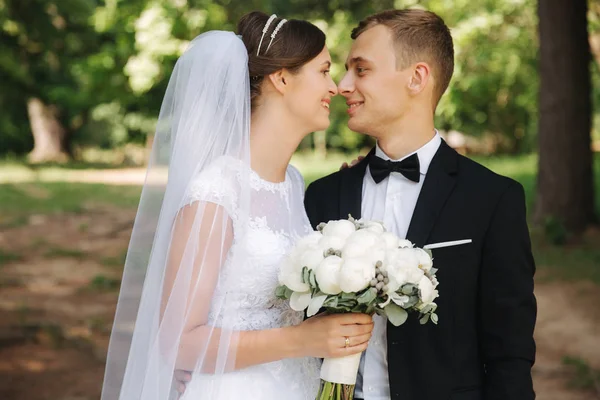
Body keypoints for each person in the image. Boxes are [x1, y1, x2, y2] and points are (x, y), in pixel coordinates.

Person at [100, 11, 374, 400]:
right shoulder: (216, 190)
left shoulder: (293, 183)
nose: (335, 88)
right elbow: (178, 342)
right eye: (324, 71)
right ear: (281, 78)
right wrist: (301, 341)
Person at [304, 9, 537, 400]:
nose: (342, 85)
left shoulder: (493, 199)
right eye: (345, 71)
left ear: (417, 77)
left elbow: (509, 354)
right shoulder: (322, 195)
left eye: (361, 70)